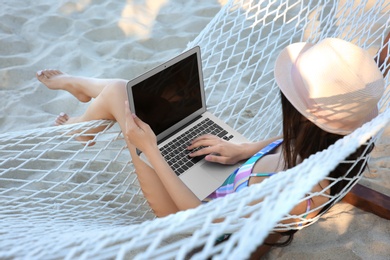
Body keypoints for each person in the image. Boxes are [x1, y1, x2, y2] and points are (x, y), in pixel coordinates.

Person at [36, 37, 388, 255]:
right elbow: (292, 141)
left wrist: (152, 150)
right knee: (132, 98)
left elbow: (200, 218)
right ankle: (84, 98)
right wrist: (245, 149)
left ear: (302, 119)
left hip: (191, 209)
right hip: (232, 177)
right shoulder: (341, 147)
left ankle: (82, 122)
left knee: (123, 102)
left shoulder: (286, 191)